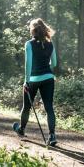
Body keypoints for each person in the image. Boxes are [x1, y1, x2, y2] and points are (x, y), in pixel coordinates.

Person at [13, 18, 57, 146]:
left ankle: (21, 129)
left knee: (26, 106)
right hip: (49, 78)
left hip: (33, 80)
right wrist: (45, 64)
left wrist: (26, 81)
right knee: (49, 108)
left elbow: (28, 64)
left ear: (33, 31)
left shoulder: (29, 44)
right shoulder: (51, 44)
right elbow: (54, 63)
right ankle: (52, 135)